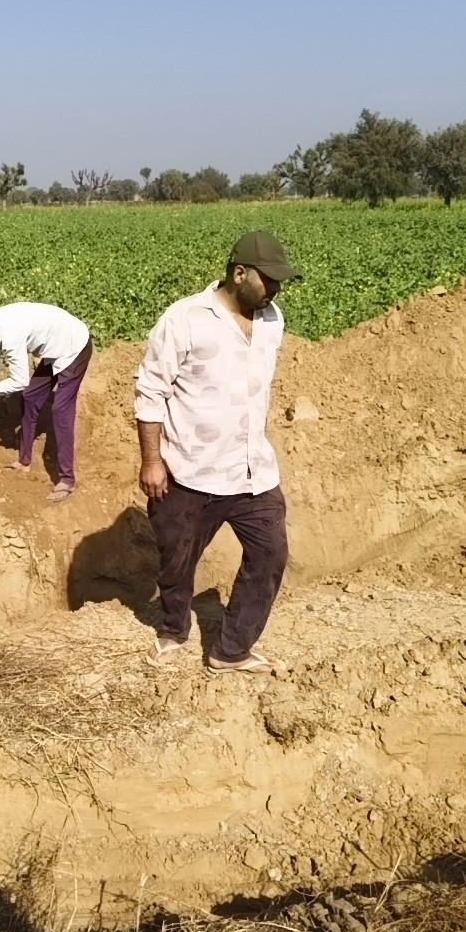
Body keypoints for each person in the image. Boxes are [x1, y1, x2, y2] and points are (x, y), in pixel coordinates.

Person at [133, 230, 301, 674]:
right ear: (239, 273)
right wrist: (152, 461)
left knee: (270, 555)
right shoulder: (185, 319)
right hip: (190, 470)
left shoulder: (272, 319)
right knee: (177, 560)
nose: (276, 289)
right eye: (269, 280)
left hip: (252, 471)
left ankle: (230, 650)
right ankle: (172, 629)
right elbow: (151, 392)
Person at [0, 303, 92, 503]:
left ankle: (67, 479)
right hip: (55, 346)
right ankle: (24, 461)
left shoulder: (9, 335)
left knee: (61, 409)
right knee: (31, 397)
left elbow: (20, 381)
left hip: (74, 346)